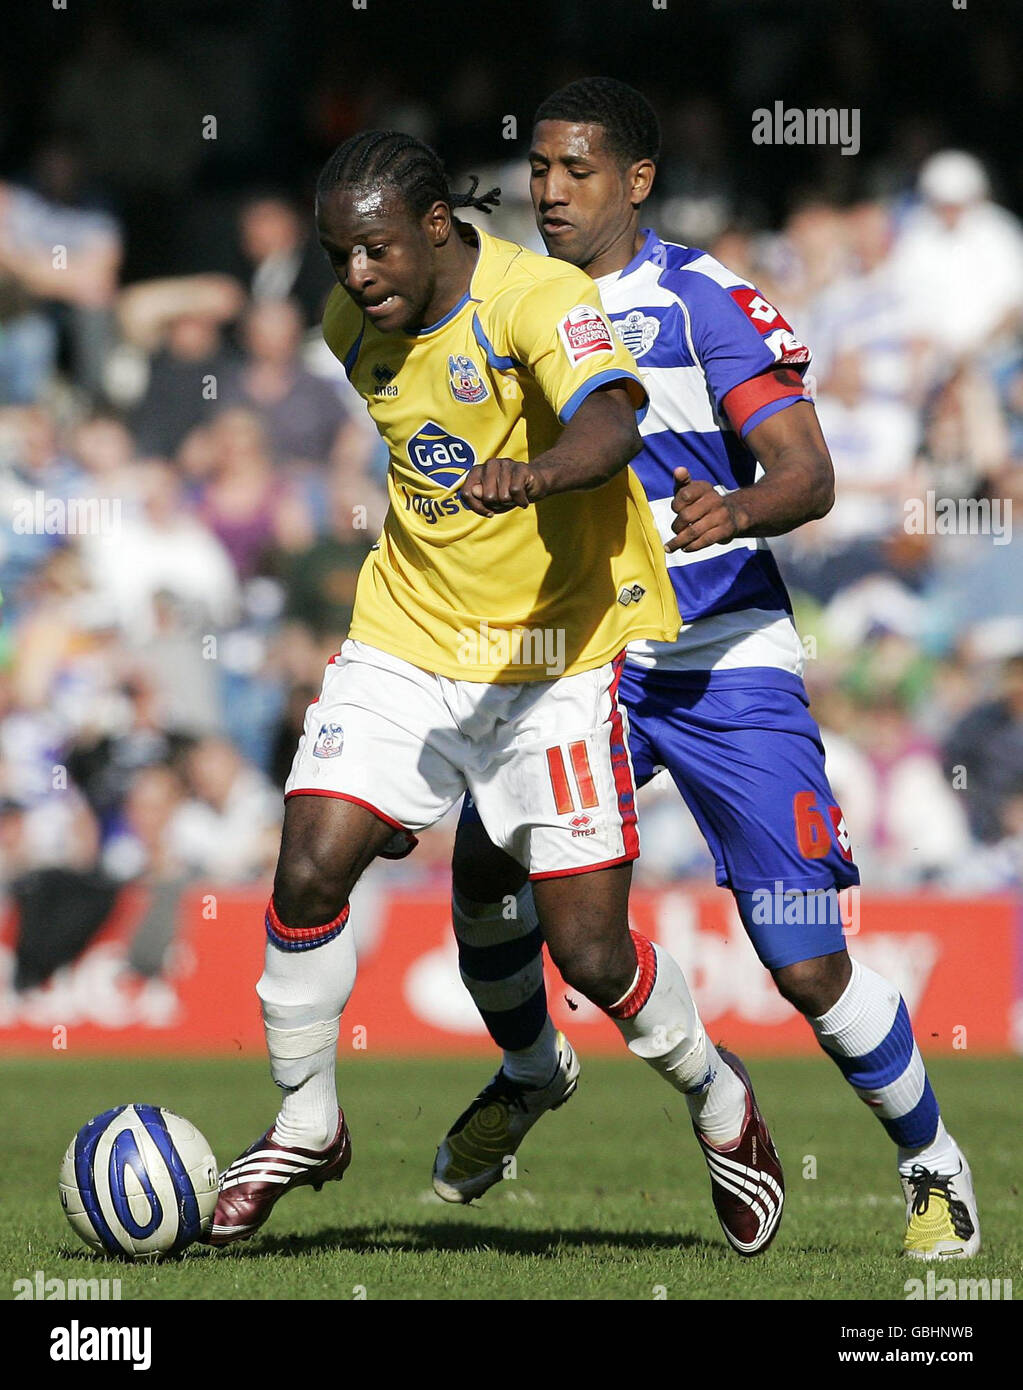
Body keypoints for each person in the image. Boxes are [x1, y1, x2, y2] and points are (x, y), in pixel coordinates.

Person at [210, 131, 789, 1252]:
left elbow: (615, 421)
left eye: (374, 250)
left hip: (555, 660)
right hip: (408, 639)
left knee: (591, 955)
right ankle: (308, 1118)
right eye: (339, 256)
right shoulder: (348, 325)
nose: (356, 277)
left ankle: (722, 1101)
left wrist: (536, 470)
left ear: (437, 228)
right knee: (310, 856)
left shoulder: (541, 296)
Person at [435, 78, 980, 1261]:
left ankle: (931, 1159)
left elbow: (811, 473)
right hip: (593, 658)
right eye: (537, 167)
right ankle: (532, 1068)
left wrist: (731, 507)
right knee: (485, 863)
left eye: (578, 170)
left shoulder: (701, 303)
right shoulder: (507, 301)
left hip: (728, 657)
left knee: (804, 957)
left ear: (634, 182)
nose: (550, 190)